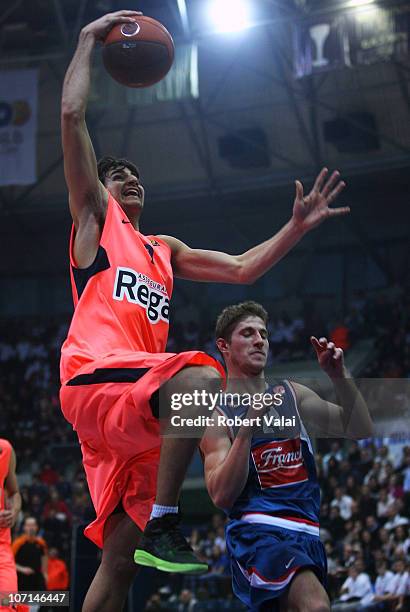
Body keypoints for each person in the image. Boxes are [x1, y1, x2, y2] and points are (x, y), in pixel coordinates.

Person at [60, 9, 349, 611]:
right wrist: (89, 39)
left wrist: (293, 228)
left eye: (137, 176)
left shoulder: (165, 250)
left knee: (119, 559)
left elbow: (243, 268)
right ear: (99, 189)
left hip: (134, 405)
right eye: (118, 175)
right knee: (199, 376)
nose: (130, 181)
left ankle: (152, 524)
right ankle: (169, 516)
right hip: (94, 376)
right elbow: (70, 115)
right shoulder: (95, 220)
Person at [200, 301, 373, 611]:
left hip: (307, 532)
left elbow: (360, 428)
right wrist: (247, 429)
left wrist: (339, 376)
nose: (259, 341)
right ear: (224, 346)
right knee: (316, 606)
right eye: (248, 333)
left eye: (264, 334)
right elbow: (221, 495)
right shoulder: (218, 417)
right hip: (259, 533)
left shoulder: (292, 393)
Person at [0, 439, 21, 612]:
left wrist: (14, 512)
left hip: (2, 548)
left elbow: (14, 493)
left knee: (6, 607)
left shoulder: (5, 449)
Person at [12, 517, 48, 593]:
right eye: (28, 525)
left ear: (37, 527)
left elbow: (44, 556)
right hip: (21, 580)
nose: (31, 528)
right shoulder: (18, 543)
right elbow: (9, 561)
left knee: (36, 604)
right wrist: (22, 569)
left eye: (33, 525)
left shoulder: (41, 543)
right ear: (24, 527)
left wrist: (45, 572)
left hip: (36, 580)